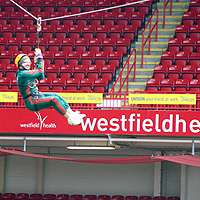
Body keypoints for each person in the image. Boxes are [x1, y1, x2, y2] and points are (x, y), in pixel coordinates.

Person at [15, 48, 86, 126]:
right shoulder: (22, 74)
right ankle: (70, 118)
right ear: (20, 64)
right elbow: (40, 71)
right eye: (25, 62)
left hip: (36, 95)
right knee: (54, 99)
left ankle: (72, 114)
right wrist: (40, 57)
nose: (28, 64)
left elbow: (41, 76)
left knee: (56, 95)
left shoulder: (26, 72)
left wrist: (38, 62)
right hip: (31, 101)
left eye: (29, 62)